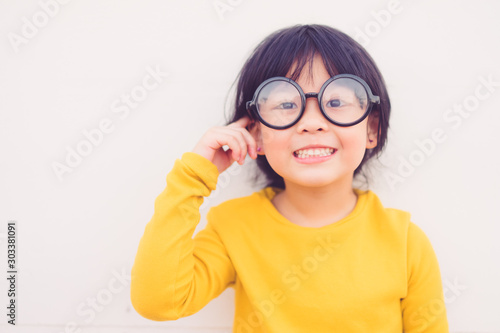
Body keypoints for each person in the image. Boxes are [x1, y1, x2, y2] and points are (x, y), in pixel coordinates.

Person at [130, 24, 449, 332]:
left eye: (336, 102)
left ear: (372, 129)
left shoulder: (405, 241)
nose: (312, 123)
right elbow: (158, 302)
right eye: (285, 104)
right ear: (255, 131)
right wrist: (194, 175)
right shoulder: (233, 226)